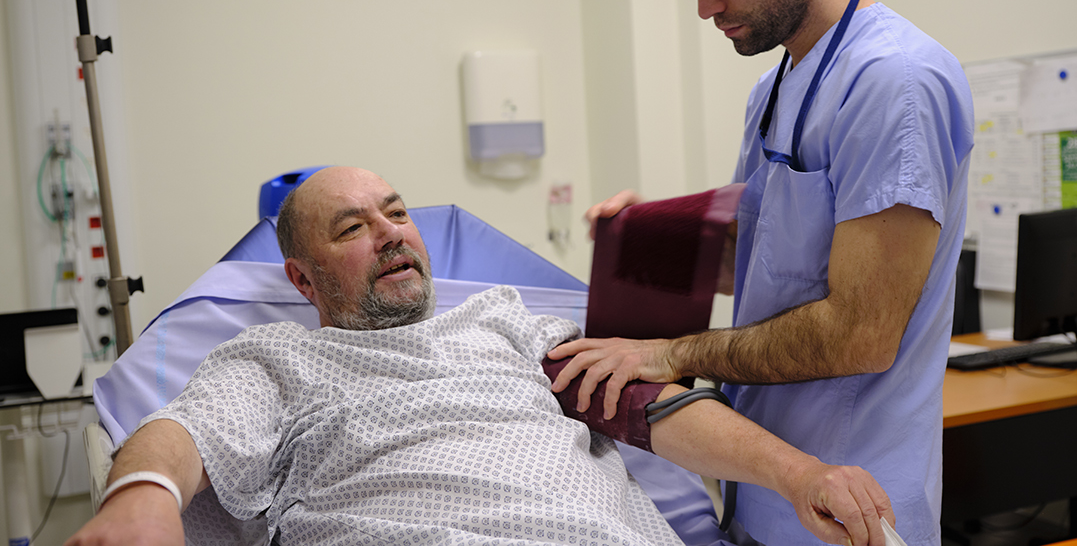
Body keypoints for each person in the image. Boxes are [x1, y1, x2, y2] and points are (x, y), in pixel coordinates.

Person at [67, 167, 893, 546]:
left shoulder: (505, 322)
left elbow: (650, 408)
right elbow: (183, 431)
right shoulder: (277, 359)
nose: (391, 231)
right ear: (301, 278)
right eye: (352, 228)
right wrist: (140, 498)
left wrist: (799, 475)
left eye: (395, 212)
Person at [547, 0, 973, 545]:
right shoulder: (773, 89)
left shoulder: (896, 83)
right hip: (764, 498)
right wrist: (646, 241)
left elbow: (859, 334)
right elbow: (762, 264)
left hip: (852, 509)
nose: (705, 7)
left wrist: (670, 354)